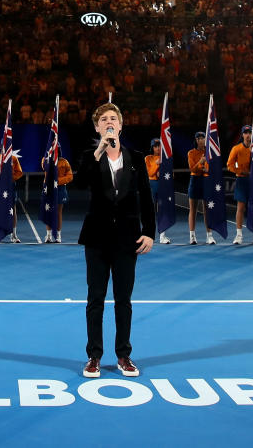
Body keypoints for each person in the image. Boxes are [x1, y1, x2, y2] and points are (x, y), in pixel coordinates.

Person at [74, 102, 155, 379]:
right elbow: (79, 183)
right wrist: (98, 152)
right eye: (104, 119)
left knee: (124, 300)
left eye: (113, 118)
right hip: (96, 239)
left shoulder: (137, 158)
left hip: (127, 240)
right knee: (95, 299)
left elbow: (146, 197)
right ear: (97, 127)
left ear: (120, 125)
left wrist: (150, 232)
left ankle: (123, 355)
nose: (109, 122)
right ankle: (94, 357)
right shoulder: (90, 156)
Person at [226, 125, 253, 244]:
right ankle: (239, 235)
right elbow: (229, 165)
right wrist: (241, 171)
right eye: (246, 133)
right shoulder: (236, 149)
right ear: (242, 135)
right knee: (241, 208)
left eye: (250, 132)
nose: (248, 135)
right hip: (242, 180)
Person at [186, 131, 214, 244]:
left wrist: (207, 170)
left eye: (203, 138)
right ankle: (192, 236)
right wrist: (200, 162)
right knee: (193, 209)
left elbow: (211, 168)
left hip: (205, 181)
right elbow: (192, 169)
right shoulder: (191, 153)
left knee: (207, 209)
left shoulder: (209, 153)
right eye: (199, 138)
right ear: (196, 140)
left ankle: (209, 236)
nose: (201, 140)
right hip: (195, 181)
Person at [0, 149, 24, 242]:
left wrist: (11, 178)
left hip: (10, 185)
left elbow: (19, 172)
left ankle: (13, 235)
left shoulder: (14, 158)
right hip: (0, 184)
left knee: (13, 209)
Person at [45, 145, 74, 243]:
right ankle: (48, 236)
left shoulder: (64, 162)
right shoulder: (46, 160)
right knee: (48, 211)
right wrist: (49, 157)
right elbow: (43, 166)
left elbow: (70, 176)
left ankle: (58, 235)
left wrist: (57, 181)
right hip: (49, 189)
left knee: (58, 212)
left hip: (60, 189)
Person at [143, 138, 170, 244]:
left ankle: (162, 236)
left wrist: (163, 174)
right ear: (152, 148)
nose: (158, 148)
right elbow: (149, 173)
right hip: (152, 185)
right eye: (155, 146)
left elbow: (170, 174)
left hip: (162, 185)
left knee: (162, 211)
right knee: (150, 211)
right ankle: (148, 234)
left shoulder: (166, 158)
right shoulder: (148, 158)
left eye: (159, 146)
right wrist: (157, 164)